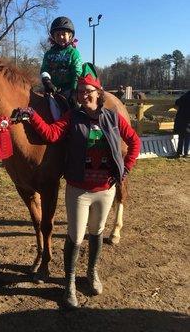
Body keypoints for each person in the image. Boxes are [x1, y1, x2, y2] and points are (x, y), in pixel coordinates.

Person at [15, 71, 141, 309]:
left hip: (106, 189)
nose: (83, 95)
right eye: (80, 92)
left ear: (98, 93)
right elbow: (51, 134)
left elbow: (134, 141)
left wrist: (126, 170)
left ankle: (92, 273)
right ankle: (70, 283)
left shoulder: (113, 118)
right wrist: (31, 114)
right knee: (75, 237)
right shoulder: (71, 117)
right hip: (79, 191)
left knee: (96, 233)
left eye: (88, 91)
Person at [41, 16, 85, 108]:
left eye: (63, 34)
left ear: (70, 36)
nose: (60, 37)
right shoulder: (48, 54)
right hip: (52, 90)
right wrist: (47, 81)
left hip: (69, 90)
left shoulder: (73, 53)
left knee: (77, 110)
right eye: (57, 35)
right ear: (53, 37)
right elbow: (44, 69)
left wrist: (74, 91)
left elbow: (77, 72)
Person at [174, 90, 190, 157]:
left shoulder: (185, 96)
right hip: (188, 120)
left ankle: (179, 152)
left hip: (180, 119)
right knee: (187, 137)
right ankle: (185, 153)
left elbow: (177, 102)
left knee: (181, 137)